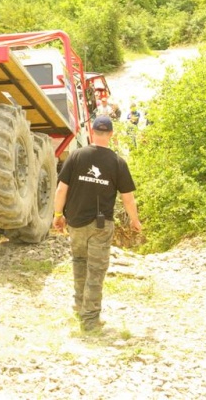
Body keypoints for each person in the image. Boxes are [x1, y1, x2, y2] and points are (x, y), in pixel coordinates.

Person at [52, 115, 141, 332]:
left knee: (79, 262)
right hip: (101, 227)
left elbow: (61, 190)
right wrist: (135, 220)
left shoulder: (76, 156)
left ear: (92, 132)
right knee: (96, 269)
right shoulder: (117, 162)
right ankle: (90, 320)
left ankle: (79, 305)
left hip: (76, 222)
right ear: (110, 135)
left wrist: (57, 215)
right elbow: (127, 198)